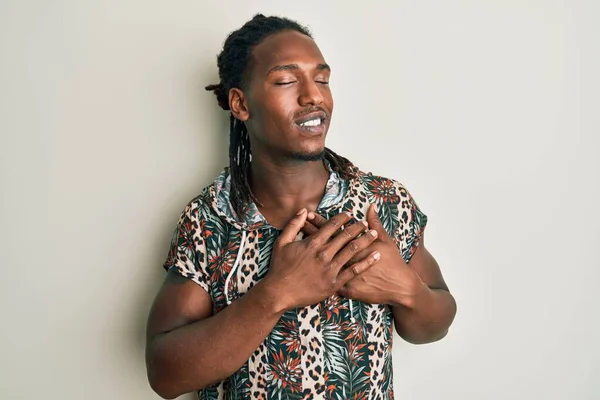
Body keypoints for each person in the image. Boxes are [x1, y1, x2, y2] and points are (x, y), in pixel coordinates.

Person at [145, 14, 457, 400]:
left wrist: (407, 290)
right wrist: (277, 293)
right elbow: (164, 375)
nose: (314, 96)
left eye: (322, 79)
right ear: (240, 104)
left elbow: (433, 327)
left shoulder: (383, 203)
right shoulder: (211, 219)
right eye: (286, 81)